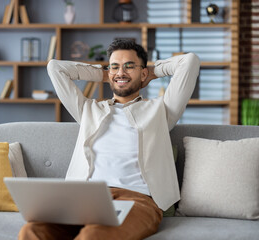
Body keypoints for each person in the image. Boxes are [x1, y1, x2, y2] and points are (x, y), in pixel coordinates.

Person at [18, 39, 200, 240]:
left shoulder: (160, 111)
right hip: (84, 198)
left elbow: (189, 62)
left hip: (137, 200)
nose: (121, 72)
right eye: (115, 66)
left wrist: (149, 73)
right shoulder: (88, 110)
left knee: (94, 236)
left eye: (129, 66)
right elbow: (55, 67)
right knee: (32, 231)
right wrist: (104, 74)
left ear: (144, 73)